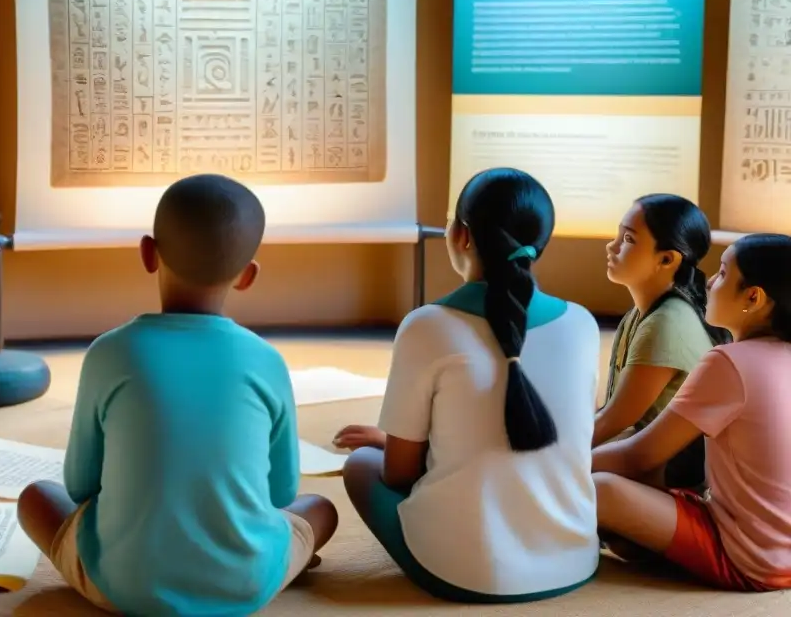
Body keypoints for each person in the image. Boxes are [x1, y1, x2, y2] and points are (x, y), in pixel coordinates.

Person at [17, 173, 338, 616]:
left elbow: (80, 486)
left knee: (36, 497)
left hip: (122, 589)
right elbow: (281, 493)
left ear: (148, 253)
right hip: (244, 589)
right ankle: (270, 566)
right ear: (248, 276)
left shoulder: (109, 352)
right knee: (320, 509)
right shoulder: (266, 360)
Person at [332, 168, 601, 602]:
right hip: (574, 559)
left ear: (461, 235)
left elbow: (398, 472)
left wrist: (393, 444)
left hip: (465, 572)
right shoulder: (583, 324)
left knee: (360, 464)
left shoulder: (426, 326)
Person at [592, 234, 791, 592]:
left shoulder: (730, 362)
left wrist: (556, 465)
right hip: (780, 547)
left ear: (753, 297)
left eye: (723, 273)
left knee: (598, 488)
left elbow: (639, 454)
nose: (710, 282)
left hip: (752, 557)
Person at [595, 195, 730, 489]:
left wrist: (550, 456)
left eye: (628, 239)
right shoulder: (644, 313)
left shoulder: (667, 321)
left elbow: (613, 422)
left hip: (667, 481)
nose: (612, 246)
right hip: (639, 463)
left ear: (667, 259)